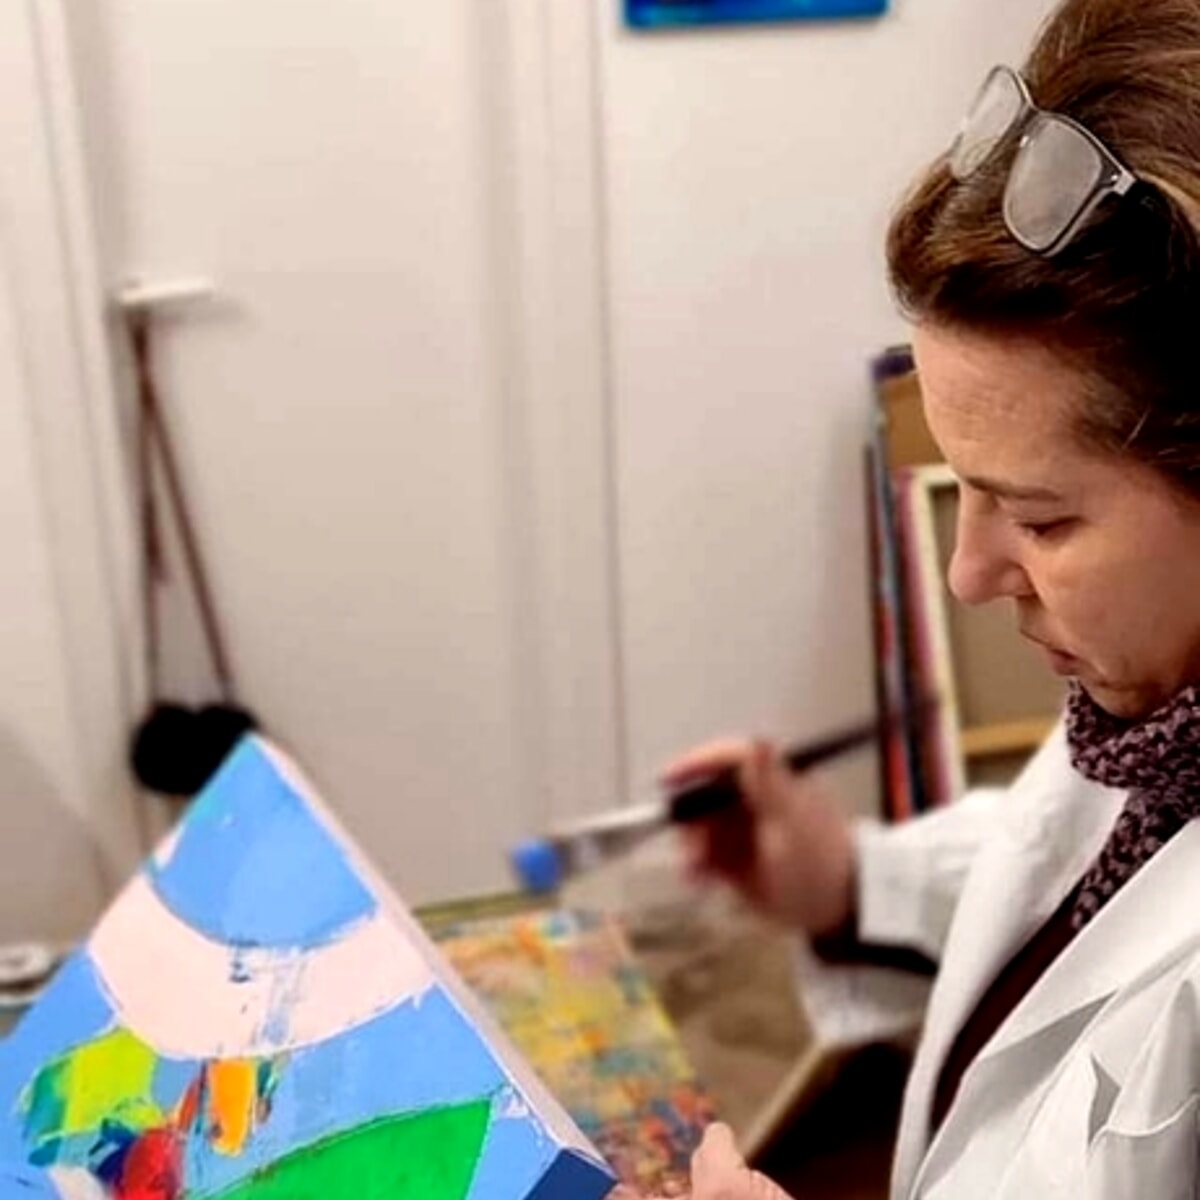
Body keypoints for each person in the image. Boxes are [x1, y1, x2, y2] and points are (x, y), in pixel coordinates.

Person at [641, 0, 1200, 1196]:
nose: (968, 573)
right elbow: (1068, 882)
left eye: (1040, 519)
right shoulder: (1158, 728)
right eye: (966, 491)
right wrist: (843, 883)